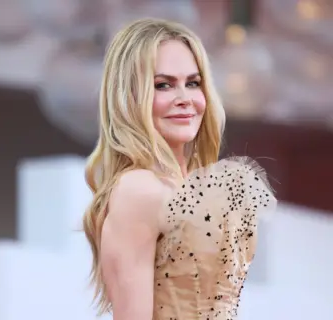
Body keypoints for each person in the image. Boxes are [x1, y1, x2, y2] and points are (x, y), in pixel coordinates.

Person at [82, 18, 277, 320]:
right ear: (129, 96)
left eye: (193, 83)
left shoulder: (181, 187)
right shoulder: (139, 189)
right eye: (163, 85)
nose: (185, 99)